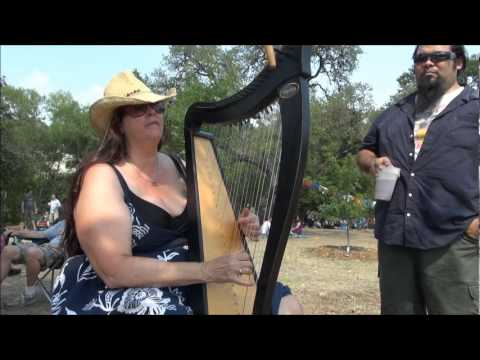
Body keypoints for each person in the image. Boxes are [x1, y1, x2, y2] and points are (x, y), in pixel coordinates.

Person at [51, 70, 303, 315]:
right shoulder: (102, 177)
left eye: (158, 106)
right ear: (118, 125)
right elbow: (114, 271)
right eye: (139, 108)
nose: (152, 111)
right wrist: (206, 270)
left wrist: (237, 226)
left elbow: (198, 227)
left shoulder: (179, 165)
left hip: (190, 276)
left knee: (287, 305)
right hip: (130, 290)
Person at [357, 45, 479, 314]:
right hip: (395, 239)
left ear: (458, 62)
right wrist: (372, 163)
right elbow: (365, 150)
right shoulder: (394, 113)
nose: (428, 63)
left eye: (438, 57)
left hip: (451, 242)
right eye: (421, 58)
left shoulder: (474, 110)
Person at [1, 217, 65, 305]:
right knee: (7, 251)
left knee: (32, 252)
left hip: (57, 252)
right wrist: (17, 232)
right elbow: (42, 234)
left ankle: (29, 294)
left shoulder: (83, 225)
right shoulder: (64, 222)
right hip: (42, 247)